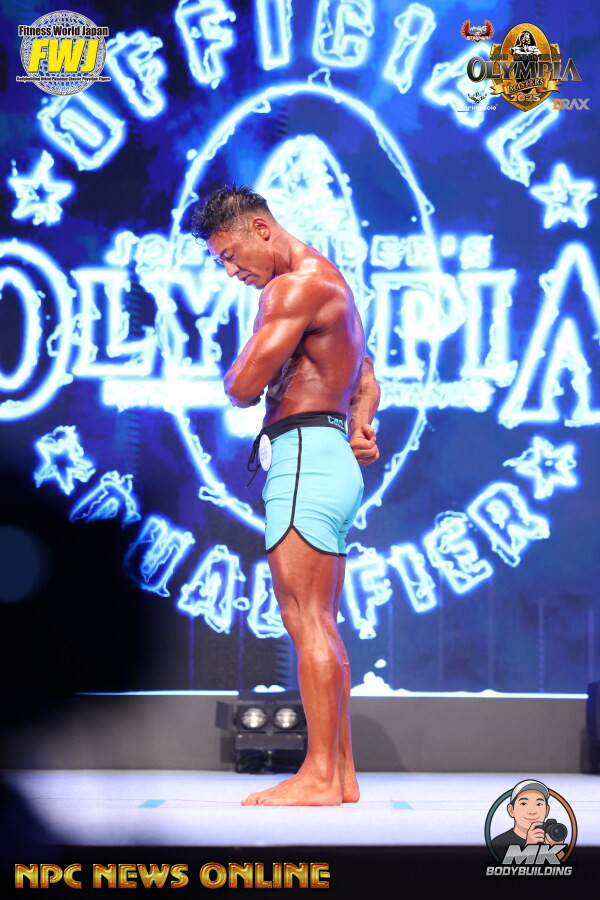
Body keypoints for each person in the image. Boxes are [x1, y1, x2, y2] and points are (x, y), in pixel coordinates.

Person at [191, 184, 380, 806]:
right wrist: (361, 423)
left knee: (306, 619)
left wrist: (246, 365)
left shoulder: (291, 289)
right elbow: (366, 376)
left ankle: (319, 776)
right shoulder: (334, 283)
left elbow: (242, 386)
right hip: (327, 457)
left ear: (261, 228)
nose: (230, 270)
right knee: (320, 621)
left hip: (303, 461)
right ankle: (341, 775)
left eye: (229, 254)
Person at [492, 780, 566, 859]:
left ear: (547, 811)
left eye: (539, 804)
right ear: (511, 810)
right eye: (524, 803)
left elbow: (566, 864)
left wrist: (557, 849)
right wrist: (529, 847)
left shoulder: (551, 838)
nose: (532, 811)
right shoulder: (499, 843)